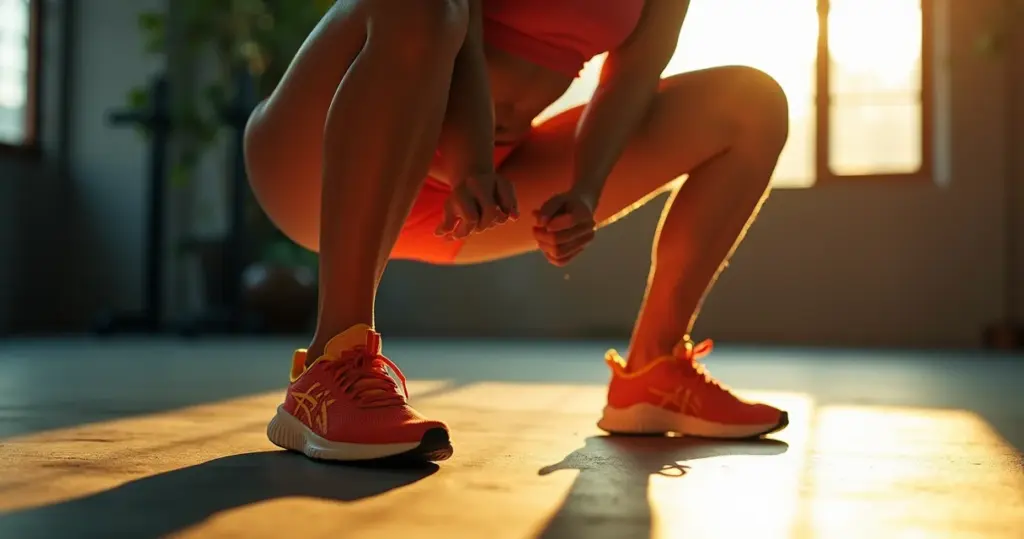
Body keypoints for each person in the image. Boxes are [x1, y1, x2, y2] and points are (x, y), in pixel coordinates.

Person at [246, 0, 790, 463]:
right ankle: (333, 357)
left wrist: (585, 189)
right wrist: (470, 159)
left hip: (482, 193)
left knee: (751, 105)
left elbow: (631, 79)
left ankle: (654, 372)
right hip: (313, 170)